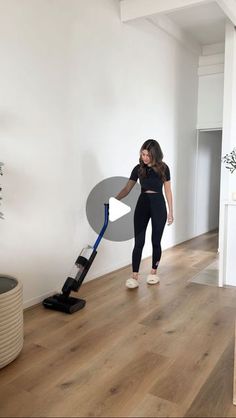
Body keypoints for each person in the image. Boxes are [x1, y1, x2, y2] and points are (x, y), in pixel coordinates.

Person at [116, 139, 174, 288]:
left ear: (155, 154)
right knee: (139, 242)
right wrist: (114, 200)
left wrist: (171, 211)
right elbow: (127, 189)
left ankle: (153, 273)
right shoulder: (138, 169)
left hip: (158, 205)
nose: (145, 157)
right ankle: (134, 276)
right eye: (143, 154)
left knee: (155, 241)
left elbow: (167, 190)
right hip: (142, 204)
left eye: (148, 155)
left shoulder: (163, 168)